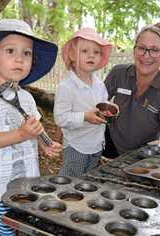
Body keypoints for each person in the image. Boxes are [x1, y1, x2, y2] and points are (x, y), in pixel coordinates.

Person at [0, 19, 62, 235]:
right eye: (10, 50)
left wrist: (45, 143)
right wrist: (20, 134)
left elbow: (33, 125)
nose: (20, 58)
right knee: (1, 231)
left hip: (25, 181)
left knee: (22, 225)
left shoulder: (26, 97)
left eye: (26, 53)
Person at [103, 23, 160, 158]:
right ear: (134, 50)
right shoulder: (118, 73)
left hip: (142, 156)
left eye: (155, 50)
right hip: (108, 145)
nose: (146, 55)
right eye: (141, 48)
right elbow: (97, 103)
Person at [53, 27, 112, 177]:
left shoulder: (100, 85)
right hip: (76, 145)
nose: (91, 55)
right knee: (70, 180)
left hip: (97, 144)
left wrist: (109, 109)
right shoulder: (67, 86)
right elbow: (60, 118)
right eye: (84, 51)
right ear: (72, 55)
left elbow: (102, 107)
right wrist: (85, 116)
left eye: (96, 52)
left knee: (88, 181)